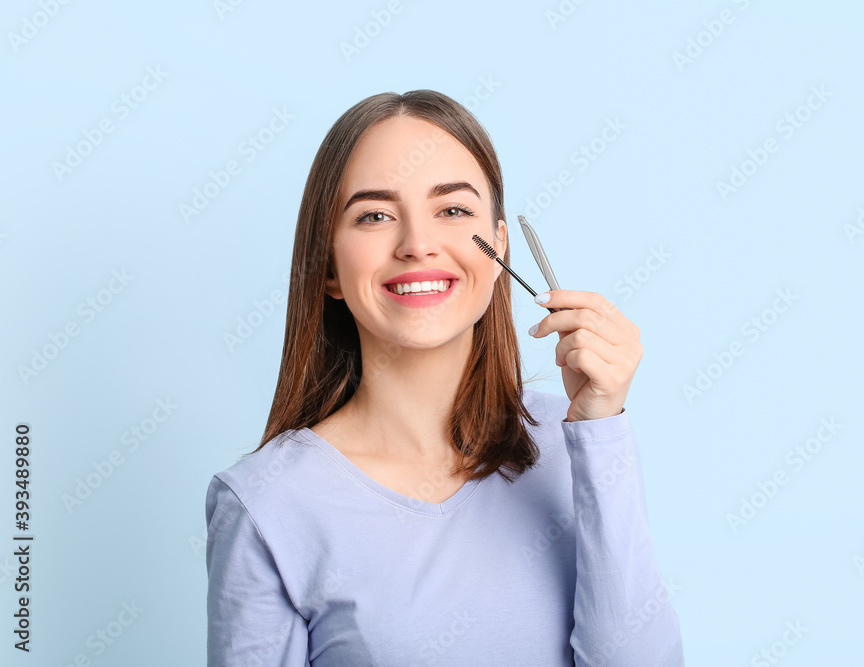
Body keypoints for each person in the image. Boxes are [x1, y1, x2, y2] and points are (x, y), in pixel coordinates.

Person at [204, 89, 684, 666]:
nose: (418, 245)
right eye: (375, 215)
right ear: (329, 267)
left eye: (453, 210)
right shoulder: (269, 503)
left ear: (499, 244)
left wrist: (601, 431)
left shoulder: (577, 440)